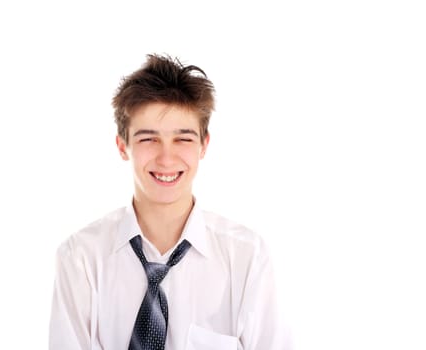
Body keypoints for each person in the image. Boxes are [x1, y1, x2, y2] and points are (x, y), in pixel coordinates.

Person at [49, 54, 292, 350]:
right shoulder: (81, 259)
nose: (166, 158)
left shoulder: (247, 258)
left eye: (183, 139)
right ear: (122, 146)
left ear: (204, 145)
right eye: (148, 139)